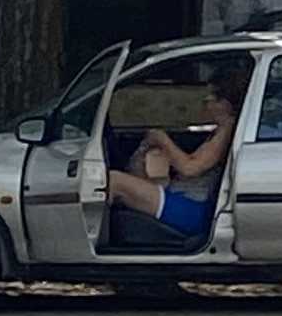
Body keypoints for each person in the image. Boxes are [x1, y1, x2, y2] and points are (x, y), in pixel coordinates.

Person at [103, 63, 245, 246]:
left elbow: (190, 168)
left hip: (193, 209)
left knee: (113, 181)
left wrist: (162, 139)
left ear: (225, 103)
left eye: (212, 96)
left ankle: (95, 243)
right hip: (183, 195)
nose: (206, 101)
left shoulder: (227, 131)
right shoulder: (219, 131)